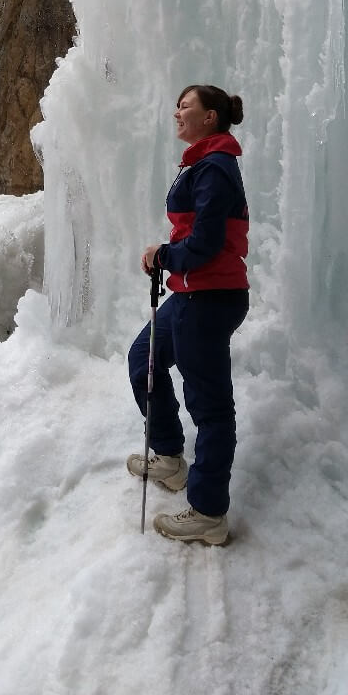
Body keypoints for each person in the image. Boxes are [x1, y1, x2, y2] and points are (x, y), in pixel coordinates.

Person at [127, 84, 250, 545]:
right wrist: (166, 256)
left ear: (211, 118)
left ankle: (208, 512)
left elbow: (207, 245)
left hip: (209, 298)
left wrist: (165, 255)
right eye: (177, 105)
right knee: (145, 362)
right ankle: (170, 458)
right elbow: (195, 237)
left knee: (211, 407)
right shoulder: (203, 164)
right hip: (191, 292)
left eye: (186, 106)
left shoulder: (216, 168)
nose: (177, 112)